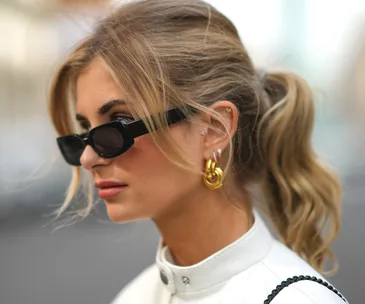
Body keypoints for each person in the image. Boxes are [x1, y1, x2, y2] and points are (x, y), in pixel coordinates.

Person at [49, 0, 348, 303]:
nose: (88, 158)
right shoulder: (133, 297)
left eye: (120, 122)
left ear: (214, 130)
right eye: (86, 130)